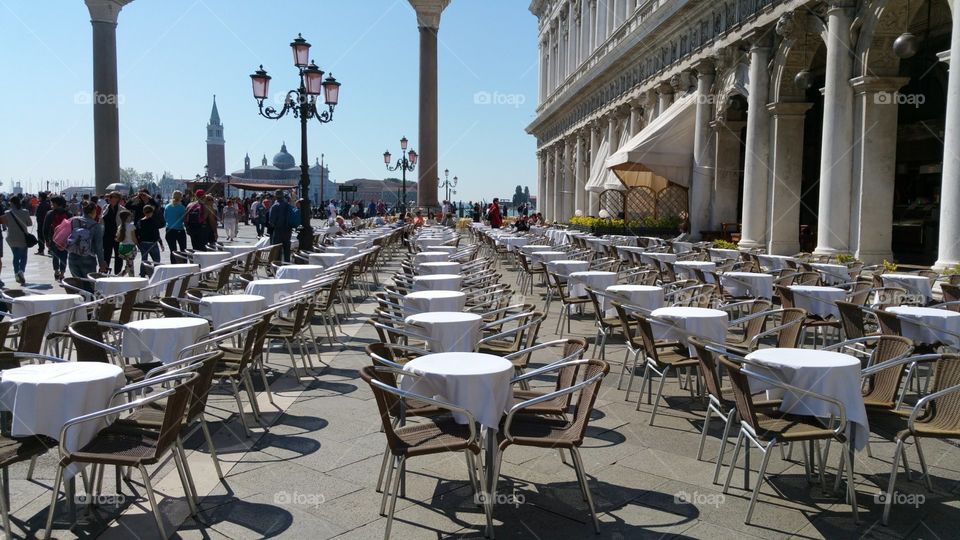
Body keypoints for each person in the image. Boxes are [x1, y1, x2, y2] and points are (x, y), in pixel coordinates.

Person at [66, 201, 106, 289]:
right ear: (93, 212)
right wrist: (101, 263)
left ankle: (80, 302)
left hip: (72, 256)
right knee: (89, 287)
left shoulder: (73, 221)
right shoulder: (96, 226)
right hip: (88, 258)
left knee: (78, 287)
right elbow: (99, 247)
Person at [2, 196, 32, 285]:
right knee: (23, 256)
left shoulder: (7, 213)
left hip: (11, 238)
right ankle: (21, 271)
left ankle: (16, 274)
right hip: (22, 237)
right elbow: (29, 223)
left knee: (15, 256)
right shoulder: (25, 212)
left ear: (11, 203)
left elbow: (5, 223)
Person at [42, 195, 70, 281]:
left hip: (54, 238)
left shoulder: (50, 213)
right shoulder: (68, 213)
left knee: (55, 256)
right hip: (65, 239)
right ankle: (62, 273)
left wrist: (46, 240)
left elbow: (45, 228)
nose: (51, 205)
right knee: (64, 256)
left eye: (52, 203)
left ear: (56, 204)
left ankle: (56, 271)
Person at [137, 205, 163, 276]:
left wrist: (138, 243)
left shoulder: (140, 221)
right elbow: (157, 234)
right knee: (156, 260)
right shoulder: (153, 221)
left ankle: (142, 274)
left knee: (144, 260)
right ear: (152, 212)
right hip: (153, 243)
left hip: (143, 243)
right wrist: (161, 243)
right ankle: (156, 274)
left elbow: (137, 234)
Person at [268, 190, 294, 262]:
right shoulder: (288, 205)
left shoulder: (275, 206)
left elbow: (271, 222)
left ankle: (277, 268)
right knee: (287, 250)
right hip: (288, 231)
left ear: (276, 197)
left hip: (278, 231)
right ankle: (287, 266)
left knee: (277, 251)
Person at [102, 191, 123, 273]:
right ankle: (104, 272)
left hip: (118, 235)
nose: (112, 199)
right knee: (106, 255)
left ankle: (117, 274)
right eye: (111, 197)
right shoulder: (105, 208)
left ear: (118, 199)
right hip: (107, 235)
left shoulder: (122, 209)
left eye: (115, 197)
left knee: (119, 256)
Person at [164, 190, 187, 260]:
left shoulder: (167, 207)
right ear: (180, 198)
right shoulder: (182, 208)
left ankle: (173, 265)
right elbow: (184, 220)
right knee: (183, 250)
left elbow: (165, 218)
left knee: (173, 251)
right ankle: (184, 265)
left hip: (169, 230)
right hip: (179, 230)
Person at [115, 209, 137, 276]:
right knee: (129, 265)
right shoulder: (131, 226)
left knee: (130, 264)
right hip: (130, 248)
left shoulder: (120, 226)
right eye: (130, 216)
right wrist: (137, 243)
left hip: (122, 248)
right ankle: (120, 275)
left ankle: (132, 277)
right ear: (127, 217)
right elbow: (134, 238)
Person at [34, 192, 50, 256]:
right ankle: (50, 250)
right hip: (47, 223)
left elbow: (37, 214)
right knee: (48, 237)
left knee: (40, 237)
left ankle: (41, 250)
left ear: (41, 197)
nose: (38, 198)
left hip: (41, 223)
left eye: (39, 196)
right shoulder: (48, 204)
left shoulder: (40, 205)